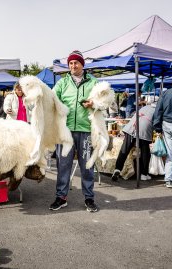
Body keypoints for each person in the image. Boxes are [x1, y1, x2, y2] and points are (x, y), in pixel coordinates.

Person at [50, 50, 99, 213]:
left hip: (86, 129)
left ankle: (89, 198)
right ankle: (61, 197)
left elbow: (105, 101)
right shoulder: (63, 83)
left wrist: (94, 103)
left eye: (75, 63)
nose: (72, 65)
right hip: (66, 131)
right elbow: (52, 99)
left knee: (87, 165)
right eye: (70, 63)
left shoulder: (93, 82)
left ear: (82, 65)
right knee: (63, 165)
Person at [112, 102, 156, 181]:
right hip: (144, 130)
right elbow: (157, 124)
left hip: (131, 127)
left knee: (124, 150)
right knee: (145, 152)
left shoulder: (145, 107)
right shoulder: (158, 110)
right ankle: (144, 174)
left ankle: (117, 169)